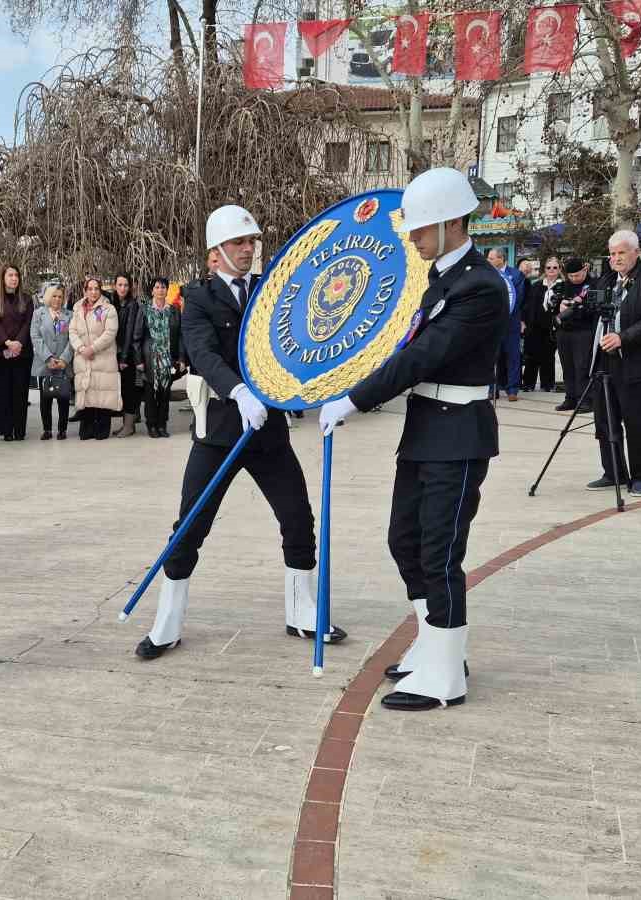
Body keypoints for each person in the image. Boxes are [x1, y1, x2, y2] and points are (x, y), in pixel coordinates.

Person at [317, 168, 501, 710]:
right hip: (425, 430)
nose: (414, 238)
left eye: (421, 229)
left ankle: (447, 678)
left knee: (440, 553)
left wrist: (354, 400)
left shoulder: (480, 288)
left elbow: (421, 356)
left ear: (449, 223)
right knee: (405, 541)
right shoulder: (441, 280)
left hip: (458, 435)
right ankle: (435, 645)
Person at [137, 204, 339, 661]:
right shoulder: (198, 297)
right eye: (237, 244)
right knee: (190, 525)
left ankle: (302, 611)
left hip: (267, 429)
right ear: (215, 254)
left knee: (297, 518)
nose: (247, 250)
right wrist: (238, 392)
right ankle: (167, 623)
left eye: (251, 242)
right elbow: (204, 353)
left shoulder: (270, 292)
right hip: (221, 430)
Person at [587, 230, 641, 496]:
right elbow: (594, 310)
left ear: (636, 252)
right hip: (605, 362)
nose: (616, 258)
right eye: (612, 253)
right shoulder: (608, 280)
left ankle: (640, 476)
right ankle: (613, 472)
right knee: (605, 421)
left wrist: (623, 338)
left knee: (635, 423)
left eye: (621, 252)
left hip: (637, 364)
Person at [132, 275, 184, 437]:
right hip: (150, 358)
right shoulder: (145, 309)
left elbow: (180, 336)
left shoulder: (173, 310)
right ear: (152, 291)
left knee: (164, 393)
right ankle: (151, 425)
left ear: (167, 290)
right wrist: (138, 360)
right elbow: (137, 337)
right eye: (157, 287)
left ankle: (162, 425)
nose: (160, 290)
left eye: (163, 287)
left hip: (168, 359)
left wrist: (181, 358)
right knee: (150, 394)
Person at [69, 276, 119, 440]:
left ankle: (102, 429)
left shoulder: (108, 309)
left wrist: (93, 348)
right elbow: (72, 332)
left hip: (102, 357)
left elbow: (110, 332)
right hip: (83, 357)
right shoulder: (77, 308)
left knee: (103, 393)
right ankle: (87, 428)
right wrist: (82, 348)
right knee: (87, 392)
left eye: (96, 288)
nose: (93, 292)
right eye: (90, 288)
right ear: (85, 290)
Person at [0, 264, 33, 441]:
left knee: (20, 392)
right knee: (4, 392)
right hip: (2, 353)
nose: (14, 278)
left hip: (22, 353)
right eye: (10, 275)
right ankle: (6, 430)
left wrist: (18, 343)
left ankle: (19, 429)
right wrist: (7, 342)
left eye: (16, 275)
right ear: (3, 278)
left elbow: (28, 323)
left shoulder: (27, 299)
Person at [552, 257, 598, 412]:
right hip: (564, 331)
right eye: (571, 276)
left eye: (577, 275)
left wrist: (575, 309)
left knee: (582, 367)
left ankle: (585, 400)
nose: (574, 279)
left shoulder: (593, 285)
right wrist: (560, 307)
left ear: (584, 270)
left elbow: (593, 310)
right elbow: (553, 307)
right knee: (568, 367)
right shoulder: (564, 286)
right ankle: (570, 398)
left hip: (583, 332)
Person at [31, 283, 74, 439]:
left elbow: (73, 339)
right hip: (45, 363)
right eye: (54, 296)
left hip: (64, 363)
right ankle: (47, 429)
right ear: (48, 297)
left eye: (60, 297)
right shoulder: (38, 314)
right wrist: (48, 357)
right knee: (45, 398)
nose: (57, 299)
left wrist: (64, 359)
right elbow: (35, 337)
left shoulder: (70, 315)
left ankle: (62, 430)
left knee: (63, 397)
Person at [486, 248, 522, 401]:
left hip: (511, 323)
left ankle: (512, 389)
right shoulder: (486, 274)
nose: (488, 261)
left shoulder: (516, 275)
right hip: (492, 324)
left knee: (513, 356)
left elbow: (518, 298)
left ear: (501, 259)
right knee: (491, 356)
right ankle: (491, 389)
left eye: (491, 258)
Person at [109, 273, 143, 436]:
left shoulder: (132, 304)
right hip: (114, 351)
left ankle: (129, 426)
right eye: (120, 285)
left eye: (126, 285)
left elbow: (130, 331)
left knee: (129, 390)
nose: (123, 288)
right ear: (115, 285)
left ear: (130, 287)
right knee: (121, 389)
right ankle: (126, 424)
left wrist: (123, 357)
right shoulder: (112, 302)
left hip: (126, 353)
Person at [521, 256, 560, 392]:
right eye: (549, 267)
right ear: (545, 269)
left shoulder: (562, 286)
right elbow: (527, 306)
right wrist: (523, 322)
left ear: (559, 269)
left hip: (551, 327)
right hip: (534, 326)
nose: (551, 270)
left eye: (555, 267)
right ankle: (528, 383)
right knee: (531, 356)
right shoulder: (536, 285)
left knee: (548, 357)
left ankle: (547, 384)